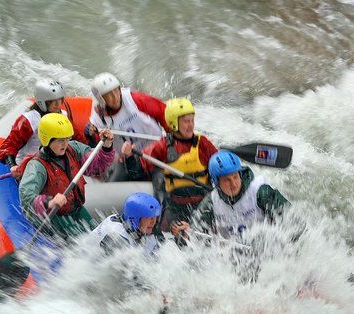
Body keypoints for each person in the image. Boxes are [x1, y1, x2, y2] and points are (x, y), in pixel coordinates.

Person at [18, 113, 115, 241]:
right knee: (82, 249)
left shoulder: (73, 149)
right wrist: (50, 202)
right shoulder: (37, 166)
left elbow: (98, 166)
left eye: (67, 138)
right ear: (47, 140)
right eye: (60, 140)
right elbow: (26, 198)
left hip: (78, 211)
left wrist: (107, 146)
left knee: (101, 240)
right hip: (56, 218)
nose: (65, 143)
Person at [138, 97, 218, 232]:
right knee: (164, 234)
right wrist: (129, 156)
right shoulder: (162, 146)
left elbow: (220, 169)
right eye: (186, 121)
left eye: (192, 120)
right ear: (174, 123)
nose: (191, 125)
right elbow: (140, 168)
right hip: (175, 206)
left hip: (203, 204)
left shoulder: (203, 143)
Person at [179, 150, 290, 239]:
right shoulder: (211, 201)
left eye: (235, 177)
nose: (234, 184)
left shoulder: (260, 192)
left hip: (267, 249)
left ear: (240, 174)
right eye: (227, 180)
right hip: (233, 257)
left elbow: (292, 222)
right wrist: (187, 234)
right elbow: (195, 236)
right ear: (217, 183)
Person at [85, 72, 169, 182]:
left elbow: (166, 114)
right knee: (113, 182)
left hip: (156, 150)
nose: (115, 97)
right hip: (129, 160)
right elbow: (98, 147)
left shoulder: (136, 100)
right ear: (101, 99)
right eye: (109, 95)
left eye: (116, 91)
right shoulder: (98, 117)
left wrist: (173, 143)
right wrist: (89, 134)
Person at [0, 78, 86, 178]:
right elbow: (9, 146)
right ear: (42, 102)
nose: (57, 104)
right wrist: (13, 165)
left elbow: (78, 139)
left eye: (59, 99)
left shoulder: (63, 116)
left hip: (53, 164)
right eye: (52, 101)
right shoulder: (28, 120)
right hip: (29, 166)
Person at [89, 192, 163, 256]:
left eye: (155, 217)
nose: (153, 221)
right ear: (134, 219)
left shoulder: (130, 225)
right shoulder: (117, 238)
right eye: (149, 217)